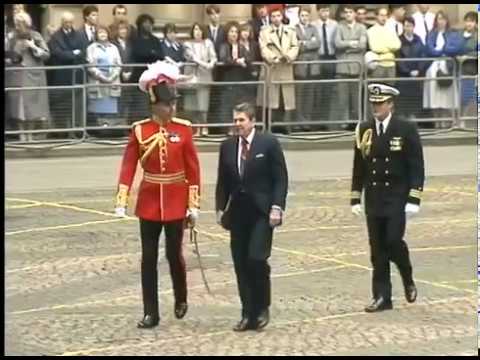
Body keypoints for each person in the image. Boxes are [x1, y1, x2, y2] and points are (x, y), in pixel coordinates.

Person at [114, 61, 201, 329]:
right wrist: (122, 199)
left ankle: (181, 296)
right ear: (154, 104)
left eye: (174, 103)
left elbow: (193, 170)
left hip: (175, 201)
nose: (172, 108)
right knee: (148, 258)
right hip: (150, 202)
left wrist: (193, 205)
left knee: (174, 255)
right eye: (167, 104)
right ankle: (150, 311)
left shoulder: (184, 129)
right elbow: (129, 165)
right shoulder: (140, 131)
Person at [350, 83, 424, 313]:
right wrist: (355, 197)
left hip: (396, 195)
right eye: (373, 103)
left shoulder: (405, 129)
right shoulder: (365, 129)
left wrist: (414, 198)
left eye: (380, 103)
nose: (376, 107)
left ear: (390, 104)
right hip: (374, 196)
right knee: (377, 249)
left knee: (393, 241)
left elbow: (416, 165)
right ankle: (382, 296)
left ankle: (406, 274)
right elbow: (359, 165)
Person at [215, 102, 288, 331]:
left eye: (242, 120)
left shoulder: (268, 143)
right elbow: (223, 181)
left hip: (262, 212)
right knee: (240, 263)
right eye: (235, 120)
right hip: (238, 213)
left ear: (252, 121)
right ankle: (247, 312)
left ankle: (262, 306)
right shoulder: (227, 146)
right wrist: (219, 208)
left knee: (256, 259)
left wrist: (277, 206)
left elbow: (280, 178)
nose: (238, 124)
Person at [6, 11, 51, 142]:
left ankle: (30, 134)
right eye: (16, 24)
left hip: (33, 77)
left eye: (19, 24)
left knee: (32, 108)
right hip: (16, 77)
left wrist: (33, 46)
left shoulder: (35, 36)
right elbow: (8, 54)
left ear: (26, 24)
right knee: (18, 109)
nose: (17, 27)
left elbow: (46, 54)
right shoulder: (12, 37)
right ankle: (21, 135)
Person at [258, 8, 299, 134]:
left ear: (282, 17)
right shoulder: (264, 32)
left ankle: (285, 127)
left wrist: (289, 56)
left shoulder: (290, 31)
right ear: (270, 18)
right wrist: (274, 58)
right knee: (271, 99)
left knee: (285, 99)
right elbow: (263, 48)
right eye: (273, 16)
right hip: (272, 68)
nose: (276, 18)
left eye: (278, 16)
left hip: (286, 67)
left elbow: (295, 46)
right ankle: (271, 126)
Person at [423, 11, 463, 127]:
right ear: (436, 21)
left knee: (447, 96)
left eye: (443, 19)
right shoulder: (431, 34)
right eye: (439, 19)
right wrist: (442, 52)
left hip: (448, 66)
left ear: (447, 21)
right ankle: (437, 122)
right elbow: (430, 50)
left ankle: (447, 122)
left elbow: (455, 48)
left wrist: (444, 50)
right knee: (434, 95)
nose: (441, 21)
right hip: (434, 66)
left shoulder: (452, 33)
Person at [47, 11, 85, 132]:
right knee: (61, 105)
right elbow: (57, 53)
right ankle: (61, 131)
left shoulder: (79, 35)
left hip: (76, 75)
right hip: (61, 75)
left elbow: (83, 51)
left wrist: (69, 54)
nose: (68, 24)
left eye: (70, 22)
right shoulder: (55, 37)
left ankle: (76, 130)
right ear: (62, 22)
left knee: (76, 105)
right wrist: (73, 53)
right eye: (66, 22)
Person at [332, 4, 367, 130]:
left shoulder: (362, 27)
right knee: (343, 98)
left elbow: (362, 45)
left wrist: (346, 47)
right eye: (346, 12)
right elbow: (337, 43)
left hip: (357, 68)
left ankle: (357, 121)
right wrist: (352, 43)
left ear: (354, 14)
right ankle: (344, 122)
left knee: (356, 98)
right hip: (342, 67)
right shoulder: (339, 27)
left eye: (350, 12)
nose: (348, 14)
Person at [218, 22, 255, 134]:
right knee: (228, 104)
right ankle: (229, 128)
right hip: (228, 78)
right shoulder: (224, 46)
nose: (234, 34)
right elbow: (224, 58)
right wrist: (236, 61)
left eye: (235, 32)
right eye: (231, 32)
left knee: (239, 104)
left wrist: (244, 61)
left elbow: (248, 59)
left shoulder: (241, 46)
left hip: (240, 79)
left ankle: (239, 128)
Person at [86, 25, 122, 134]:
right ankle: (98, 132)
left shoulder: (114, 47)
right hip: (98, 81)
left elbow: (118, 64)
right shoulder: (91, 48)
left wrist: (111, 77)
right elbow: (90, 65)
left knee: (110, 109)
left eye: (104, 32)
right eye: (100, 32)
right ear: (96, 35)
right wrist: (102, 77)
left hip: (112, 81)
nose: (102, 34)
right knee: (97, 108)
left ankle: (109, 131)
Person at [183, 23, 217, 136]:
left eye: (199, 29)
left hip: (204, 77)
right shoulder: (187, 44)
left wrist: (211, 64)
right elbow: (192, 57)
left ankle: (204, 126)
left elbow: (213, 57)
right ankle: (196, 127)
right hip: (191, 77)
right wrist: (205, 64)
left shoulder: (208, 43)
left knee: (203, 104)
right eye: (195, 29)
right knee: (192, 105)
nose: (197, 32)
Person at [396, 16, 427, 121]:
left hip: (416, 74)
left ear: (414, 27)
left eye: (410, 26)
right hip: (403, 75)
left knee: (415, 98)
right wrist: (408, 71)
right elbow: (398, 57)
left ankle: (413, 118)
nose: (408, 28)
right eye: (406, 26)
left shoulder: (418, 39)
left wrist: (418, 69)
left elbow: (423, 55)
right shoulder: (399, 40)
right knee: (403, 98)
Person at [312, 4, 338, 128]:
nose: (325, 13)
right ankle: (317, 121)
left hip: (331, 58)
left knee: (330, 90)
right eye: (323, 11)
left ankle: (327, 120)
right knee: (317, 91)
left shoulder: (335, 25)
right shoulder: (313, 25)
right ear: (318, 12)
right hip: (318, 58)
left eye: (327, 11)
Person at [294, 6, 320, 131]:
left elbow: (317, 43)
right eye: (302, 15)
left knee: (310, 95)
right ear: (299, 16)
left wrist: (304, 43)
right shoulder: (294, 29)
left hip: (312, 66)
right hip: (300, 66)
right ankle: (299, 121)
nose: (304, 18)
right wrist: (309, 43)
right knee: (300, 95)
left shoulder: (313, 28)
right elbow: (296, 45)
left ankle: (307, 121)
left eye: (306, 15)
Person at [366, 7, 401, 83]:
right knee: (377, 92)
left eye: (385, 15)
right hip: (378, 65)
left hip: (391, 64)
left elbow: (397, 45)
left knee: (389, 91)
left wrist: (384, 46)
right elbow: (375, 48)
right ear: (376, 16)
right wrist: (389, 47)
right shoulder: (370, 31)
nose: (384, 18)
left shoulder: (391, 29)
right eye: (381, 15)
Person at [111, 20, 135, 125]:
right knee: (118, 103)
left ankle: (127, 126)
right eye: (121, 29)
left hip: (129, 77)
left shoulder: (131, 44)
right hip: (117, 77)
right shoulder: (112, 44)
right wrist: (122, 73)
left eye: (125, 29)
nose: (123, 31)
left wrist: (130, 72)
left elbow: (133, 59)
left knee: (128, 102)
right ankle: (118, 125)